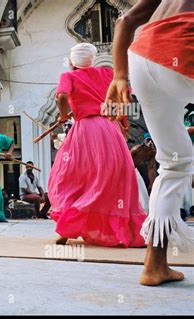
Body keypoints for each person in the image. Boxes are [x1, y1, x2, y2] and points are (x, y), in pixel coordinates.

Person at [106, 0, 194, 285]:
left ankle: (155, 264)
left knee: (174, 162)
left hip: (143, 59)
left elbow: (126, 21)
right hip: (183, 46)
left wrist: (119, 75)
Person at [48, 43, 146, 248]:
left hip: (85, 130)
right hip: (111, 130)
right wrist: (122, 120)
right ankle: (120, 232)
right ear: (91, 59)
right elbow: (125, 96)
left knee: (70, 177)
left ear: (72, 61)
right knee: (111, 179)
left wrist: (64, 114)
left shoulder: (69, 76)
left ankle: (68, 229)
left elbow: (62, 96)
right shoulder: (107, 74)